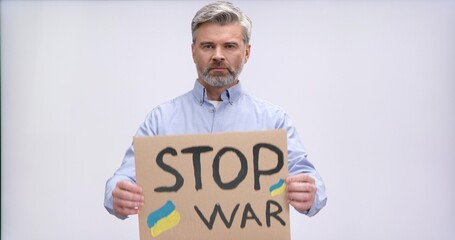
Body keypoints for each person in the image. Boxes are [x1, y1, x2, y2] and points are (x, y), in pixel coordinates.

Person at [104, 1, 327, 220]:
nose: (218, 55)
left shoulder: (274, 121)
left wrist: (309, 192)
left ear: (247, 53)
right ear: (193, 52)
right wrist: (118, 194)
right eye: (208, 46)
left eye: (229, 46)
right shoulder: (160, 120)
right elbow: (123, 178)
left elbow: (311, 181)